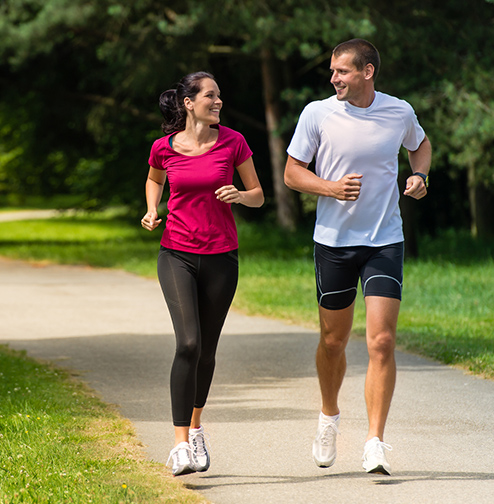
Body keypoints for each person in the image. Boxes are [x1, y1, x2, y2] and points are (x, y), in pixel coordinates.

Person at [283, 39, 432, 475]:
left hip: (384, 240)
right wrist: (330, 187)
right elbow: (292, 173)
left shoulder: (398, 111)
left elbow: (421, 144)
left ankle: (374, 442)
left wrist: (420, 174)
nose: (334, 78)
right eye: (332, 71)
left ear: (367, 72)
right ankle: (329, 416)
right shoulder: (317, 114)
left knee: (382, 341)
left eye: (342, 71)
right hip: (334, 242)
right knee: (334, 341)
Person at [142, 71, 264, 476]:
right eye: (210, 95)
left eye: (219, 95)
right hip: (176, 253)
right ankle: (179, 445)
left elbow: (258, 195)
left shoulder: (234, 142)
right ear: (189, 103)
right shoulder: (164, 147)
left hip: (221, 257)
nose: (218, 101)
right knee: (188, 344)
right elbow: (154, 178)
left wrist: (239, 195)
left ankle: (196, 428)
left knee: (207, 351)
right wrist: (152, 209)